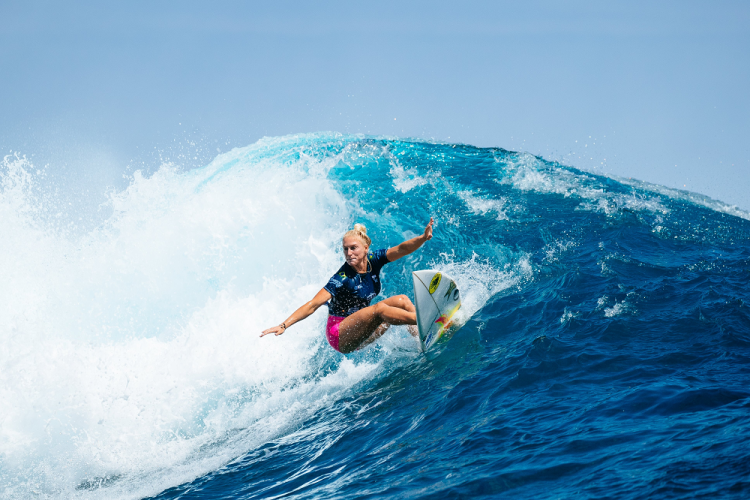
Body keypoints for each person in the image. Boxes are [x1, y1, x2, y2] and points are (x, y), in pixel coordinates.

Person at [261, 218, 434, 353]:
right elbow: (313, 304)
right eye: (345, 249)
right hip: (340, 335)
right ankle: (427, 319)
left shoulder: (375, 260)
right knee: (380, 309)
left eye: (353, 248)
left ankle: (424, 337)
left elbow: (402, 249)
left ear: (366, 248)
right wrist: (283, 325)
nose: (349, 253)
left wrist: (423, 238)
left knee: (402, 300)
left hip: (362, 330)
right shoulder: (341, 278)